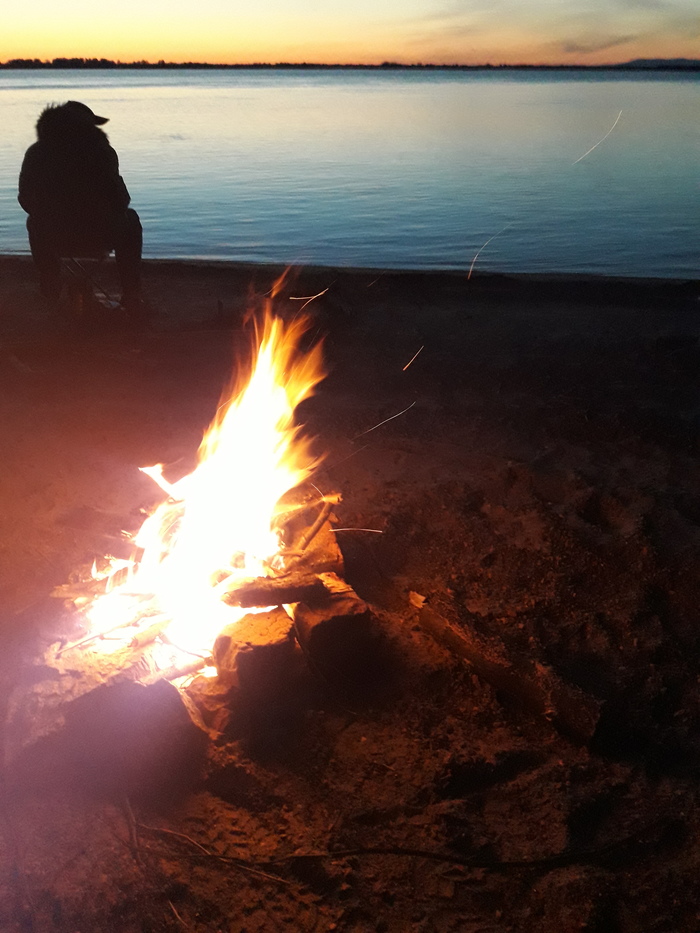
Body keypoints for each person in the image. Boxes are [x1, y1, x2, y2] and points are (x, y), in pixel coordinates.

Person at [18, 100, 143, 312]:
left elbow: (25, 199)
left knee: (34, 222)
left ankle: (50, 289)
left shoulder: (36, 154)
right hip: (98, 236)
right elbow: (121, 200)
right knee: (131, 219)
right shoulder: (101, 153)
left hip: (52, 238)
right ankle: (131, 294)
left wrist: (46, 214)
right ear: (86, 127)